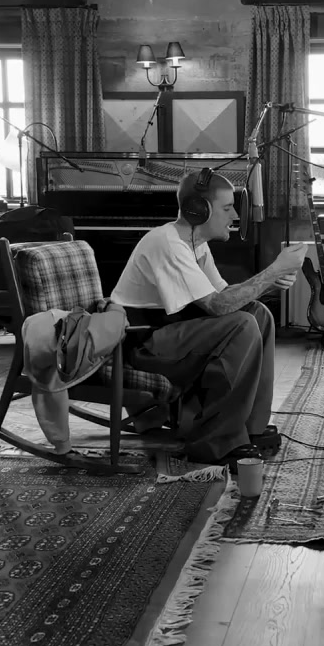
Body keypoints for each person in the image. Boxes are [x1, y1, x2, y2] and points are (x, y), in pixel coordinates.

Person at [109, 169, 308, 468]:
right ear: (198, 210)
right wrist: (272, 272)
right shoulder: (167, 243)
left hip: (172, 335)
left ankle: (251, 428)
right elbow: (217, 306)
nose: (234, 216)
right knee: (241, 325)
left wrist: (269, 283)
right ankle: (216, 443)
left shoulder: (196, 243)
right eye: (227, 208)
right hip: (141, 345)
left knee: (258, 314)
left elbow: (224, 296)